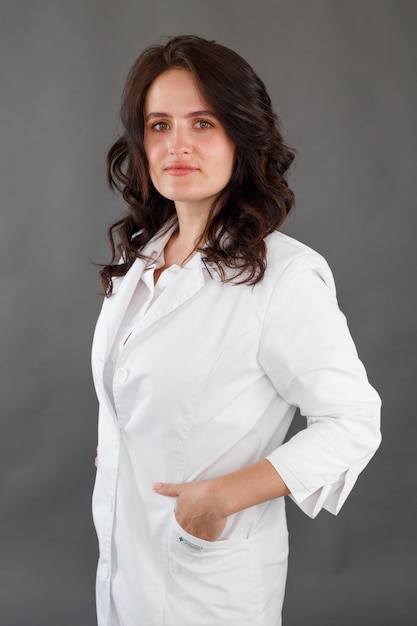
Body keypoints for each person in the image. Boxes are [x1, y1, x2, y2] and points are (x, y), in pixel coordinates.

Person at [91, 35, 381, 626]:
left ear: (241, 137)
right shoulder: (145, 260)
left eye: (203, 123)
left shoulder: (286, 276)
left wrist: (223, 497)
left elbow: (353, 422)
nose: (177, 145)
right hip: (126, 564)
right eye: (159, 124)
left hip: (210, 582)